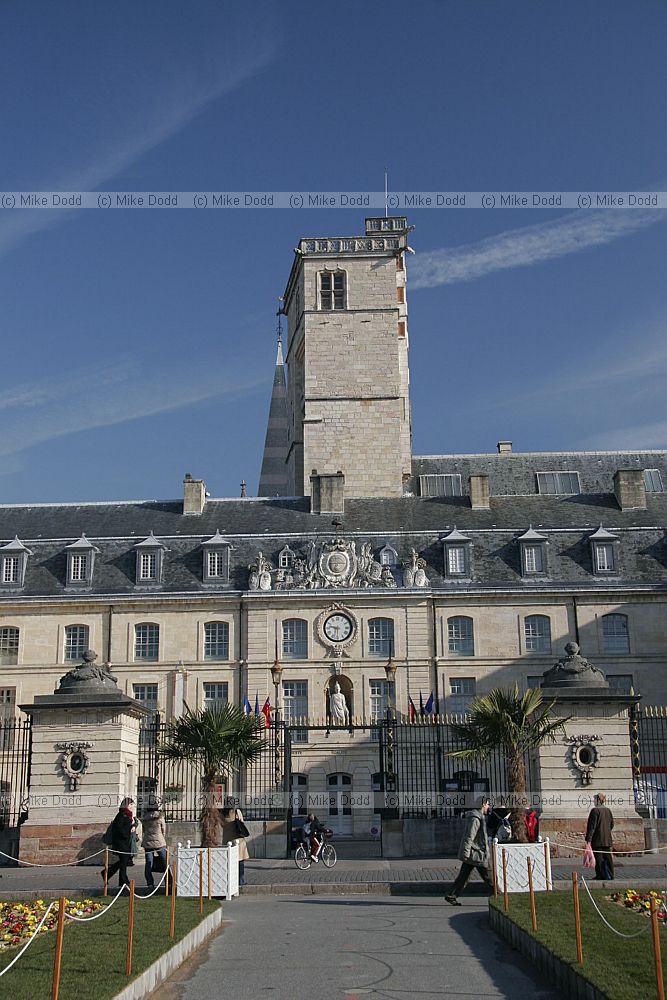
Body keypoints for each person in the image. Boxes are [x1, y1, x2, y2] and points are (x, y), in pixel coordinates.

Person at [445, 796, 494, 905]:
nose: (488, 806)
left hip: (474, 853)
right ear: (482, 805)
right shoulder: (475, 819)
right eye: (487, 804)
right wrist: (466, 853)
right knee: (489, 877)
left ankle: (451, 895)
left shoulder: (479, 817)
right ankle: (500, 896)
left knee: (463, 876)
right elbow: (469, 836)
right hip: (476, 853)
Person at [105, 796, 135, 888]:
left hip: (125, 842)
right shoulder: (121, 814)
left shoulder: (128, 815)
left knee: (123, 862)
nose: (132, 807)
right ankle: (124, 880)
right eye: (130, 805)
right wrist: (129, 831)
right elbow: (119, 828)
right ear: (126, 805)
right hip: (121, 842)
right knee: (124, 861)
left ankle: (116, 879)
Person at [585, 792, 614, 880]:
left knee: (599, 858)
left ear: (598, 800)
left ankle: (601, 875)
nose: (593, 801)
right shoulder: (608, 810)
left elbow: (592, 827)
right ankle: (610, 874)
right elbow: (612, 824)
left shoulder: (595, 811)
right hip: (607, 839)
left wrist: (588, 839)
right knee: (608, 858)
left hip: (597, 839)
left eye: (594, 800)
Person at [220, 804, 250, 885]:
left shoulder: (221, 814)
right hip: (238, 840)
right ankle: (240, 881)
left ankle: (231, 881)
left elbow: (222, 825)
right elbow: (242, 821)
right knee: (240, 861)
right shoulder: (237, 811)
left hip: (227, 840)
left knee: (229, 862)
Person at [141, 801, 167, 888]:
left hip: (148, 842)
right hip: (159, 842)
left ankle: (150, 883)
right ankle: (168, 880)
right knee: (164, 862)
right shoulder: (160, 817)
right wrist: (162, 837)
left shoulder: (145, 817)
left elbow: (144, 830)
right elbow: (164, 830)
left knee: (149, 863)